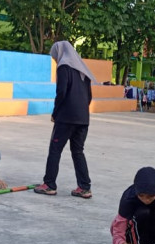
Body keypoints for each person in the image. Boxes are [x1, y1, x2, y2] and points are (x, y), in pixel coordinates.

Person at [34, 41, 96, 198]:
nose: (55, 60)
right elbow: (89, 97)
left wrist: (55, 113)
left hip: (67, 117)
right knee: (78, 151)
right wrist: (81, 112)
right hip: (83, 118)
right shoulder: (83, 70)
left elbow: (61, 92)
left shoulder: (63, 68)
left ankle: (49, 184)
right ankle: (84, 187)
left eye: (55, 56)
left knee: (55, 150)